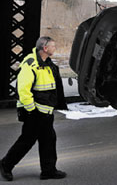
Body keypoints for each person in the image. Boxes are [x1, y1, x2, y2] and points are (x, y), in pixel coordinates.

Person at [1, 36, 67, 181]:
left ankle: (48, 171)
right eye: (53, 46)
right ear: (45, 48)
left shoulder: (47, 63)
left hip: (45, 110)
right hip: (35, 111)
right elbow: (23, 90)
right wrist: (32, 110)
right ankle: (5, 165)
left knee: (48, 139)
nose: (55, 48)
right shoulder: (30, 64)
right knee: (27, 141)